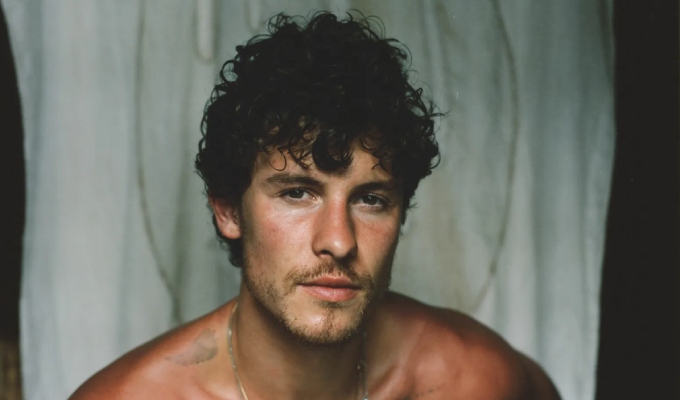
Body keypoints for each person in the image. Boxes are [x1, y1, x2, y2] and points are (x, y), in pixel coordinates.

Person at [71, 12, 561, 400]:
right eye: (297, 193)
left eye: (370, 199)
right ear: (229, 211)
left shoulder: (468, 377)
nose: (339, 241)